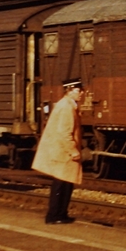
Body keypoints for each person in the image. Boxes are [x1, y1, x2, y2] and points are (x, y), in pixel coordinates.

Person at [32, 78, 85, 224]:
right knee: (61, 184)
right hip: (63, 153)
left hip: (62, 152)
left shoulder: (68, 105)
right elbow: (64, 132)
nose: (82, 93)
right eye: (78, 90)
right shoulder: (66, 107)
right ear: (69, 91)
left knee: (65, 183)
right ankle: (54, 215)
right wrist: (73, 150)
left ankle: (60, 214)